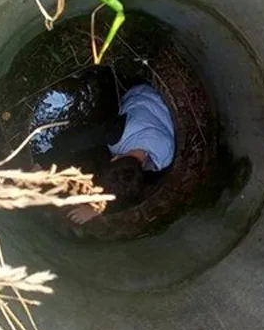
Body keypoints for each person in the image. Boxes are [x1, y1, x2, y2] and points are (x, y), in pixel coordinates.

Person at [55, 80, 177, 225]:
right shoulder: (118, 132)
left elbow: (127, 196)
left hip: (155, 107)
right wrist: (45, 161)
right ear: (114, 158)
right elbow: (73, 141)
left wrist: (97, 209)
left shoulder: (164, 159)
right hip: (142, 94)